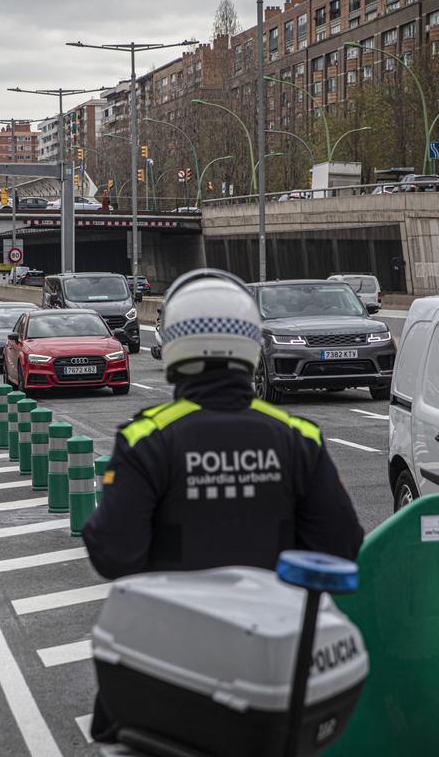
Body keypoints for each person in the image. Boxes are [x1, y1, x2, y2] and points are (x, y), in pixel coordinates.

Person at [82, 269, 363, 741]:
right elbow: (341, 549)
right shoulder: (299, 438)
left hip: (166, 669)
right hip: (275, 671)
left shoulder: (146, 438)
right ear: (251, 343)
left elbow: (112, 555)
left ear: (173, 343)